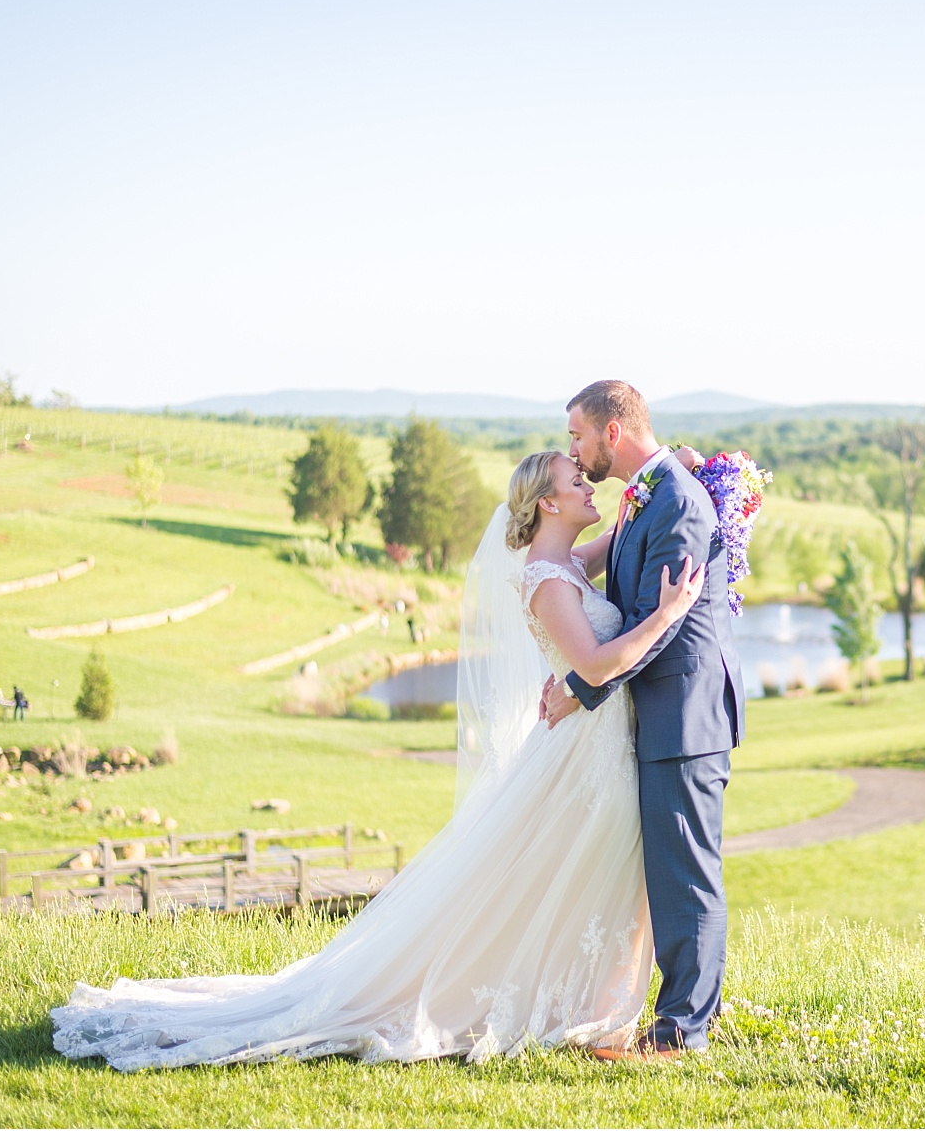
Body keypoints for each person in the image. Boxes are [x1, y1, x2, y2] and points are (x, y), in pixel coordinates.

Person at [50, 449, 705, 1070]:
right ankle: (577, 1010)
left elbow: (611, 541)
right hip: (582, 756)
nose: (589, 484)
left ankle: (591, 1006)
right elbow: (595, 664)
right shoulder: (547, 581)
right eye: (575, 479)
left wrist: (659, 473)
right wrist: (667, 614)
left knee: (581, 873)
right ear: (549, 504)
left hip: (595, 748)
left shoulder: (562, 563)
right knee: (565, 871)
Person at [543, 380, 745, 1061]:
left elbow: (660, 624)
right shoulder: (647, 494)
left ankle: (683, 1031)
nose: (575, 451)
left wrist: (580, 686)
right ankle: (677, 1015)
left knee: (686, 876)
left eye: (578, 436)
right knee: (668, 873)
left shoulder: (676, 503)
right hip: (660, 714)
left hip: (686, 716)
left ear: (613, 432)